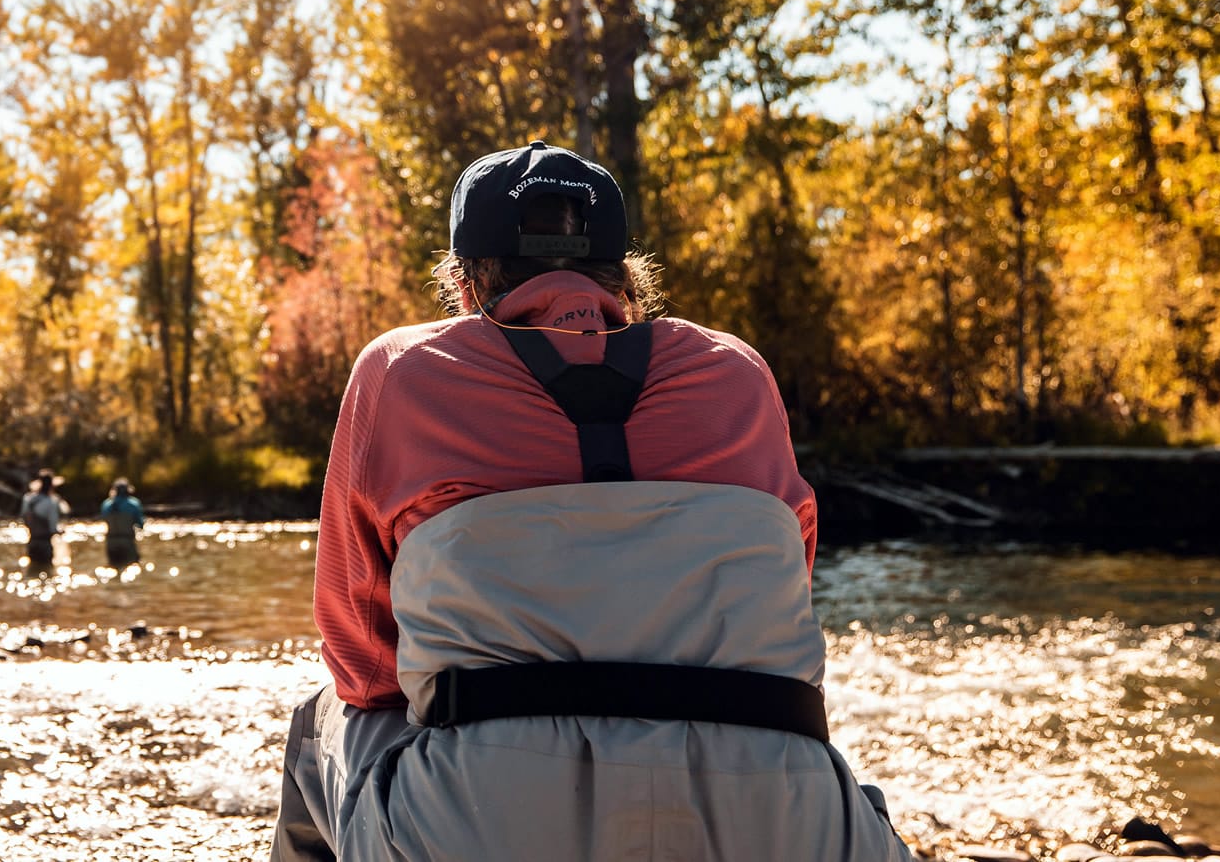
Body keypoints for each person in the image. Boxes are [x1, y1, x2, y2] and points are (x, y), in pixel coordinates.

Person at [271, 142, 913, 861]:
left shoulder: (403, 371)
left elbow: (364, 660)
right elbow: (782, 592)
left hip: (488, 819)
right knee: (846, 800)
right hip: (783, 813)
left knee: (319, 722)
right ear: (625, 277)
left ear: (464, 279)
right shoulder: (739, 373)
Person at [19, 472, 64, 570]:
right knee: (47, 571)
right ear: (52, 485)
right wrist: (60, 532)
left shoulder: (27, 499)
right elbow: (53, 528)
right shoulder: (51, 502)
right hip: (45, 544)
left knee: (32, 570)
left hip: (32, 543)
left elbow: (24, 518)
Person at [97, 478, 145, 567]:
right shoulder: (134, 504)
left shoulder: (106, 504)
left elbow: (103, 519)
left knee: (113, 569)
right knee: (132, 567)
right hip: (127, 542)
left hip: (111, 543)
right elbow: (140, 524)